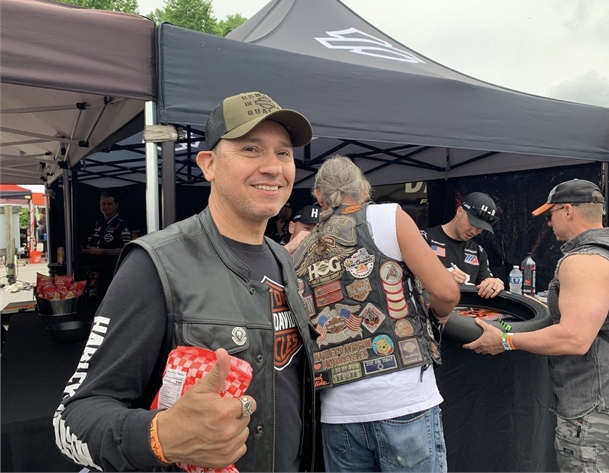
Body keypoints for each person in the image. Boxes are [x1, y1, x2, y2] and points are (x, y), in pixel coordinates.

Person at [53, 91, 320, 472]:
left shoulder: (281, 258)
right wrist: (159, 436)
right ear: (208, 164)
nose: (273, 167)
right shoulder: (157, 264)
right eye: (250, 149)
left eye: (284, 153)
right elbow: (72, 419)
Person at [293, 156, 460, 472]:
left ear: (318, 196)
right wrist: (438, 318)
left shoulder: (302, 247)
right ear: (364, 189)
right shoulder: (388, 216)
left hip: (338, 411)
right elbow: (447, 292)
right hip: (402, 398)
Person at [465, 179, 609, 472]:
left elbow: (574, 338)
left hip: (593, 414)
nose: (548, 223)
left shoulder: (584, 261)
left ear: (568, 210)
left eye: (550, 215)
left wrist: (506, 340)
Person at [421, 192, 504, 298]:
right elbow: (404, 281)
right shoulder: (423, 238)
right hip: (428, 307)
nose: (474, 231)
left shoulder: (478, 251)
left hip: (465, 308)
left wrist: (494, 284)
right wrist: (440, 279)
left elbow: (487, 285)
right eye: (472, 223)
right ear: (459, 211)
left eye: (480, 228)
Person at [80, 191, 132, 301]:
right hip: (97, 271)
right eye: (103, 204)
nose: (106, 207)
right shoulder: (98, 223)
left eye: (109, 204)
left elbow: (126, 250)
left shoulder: (122, 224)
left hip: (114, 272)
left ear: (116, 205)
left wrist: (101, 251)